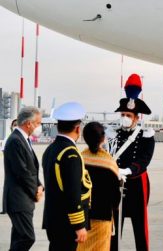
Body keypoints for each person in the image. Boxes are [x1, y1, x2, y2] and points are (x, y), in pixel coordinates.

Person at [111, 74, 155, 251]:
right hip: (117, 185)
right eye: (122, 114)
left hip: (137, 184)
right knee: (114, 227)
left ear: (136, 117)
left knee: (140, 227)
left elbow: (145, 160)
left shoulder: (146, 135)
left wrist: (128, 171)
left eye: (128, 115)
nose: (124, 117)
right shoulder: (114, 134)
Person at [42, 102, 92, 251]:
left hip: (54, 218)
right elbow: (72, 192)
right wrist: (79, 225)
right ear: (78, 128)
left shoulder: (51, 149)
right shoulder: (70, 153)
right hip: (67, 222)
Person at [2, 107, 43, 250]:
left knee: (19, 238)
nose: (39, 127)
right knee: (27, 237)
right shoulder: (15, 141)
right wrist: (35, 191)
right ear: (28, 123)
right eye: (38, 123)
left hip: (24, 199)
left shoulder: (23, 140)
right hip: (18, 199)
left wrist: (40, 186)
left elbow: (32, 169)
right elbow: (22, 172)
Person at [78, 122, 121, 251]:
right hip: (103, 218)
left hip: (82, 218)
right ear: (103, 138)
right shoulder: (109, 163)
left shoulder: (79, 159)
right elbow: (115, 197)